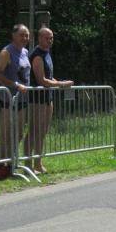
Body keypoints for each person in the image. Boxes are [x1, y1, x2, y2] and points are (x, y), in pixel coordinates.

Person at [26, 27, 74, 174]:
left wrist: (60, 82)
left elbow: (49, 77)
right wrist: (61, 84)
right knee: (34, 131)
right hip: (37, 99)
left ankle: (38, 163)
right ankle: (28, 164)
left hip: (48, 98)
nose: (49, 40)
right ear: (39, 38)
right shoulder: (37, 55)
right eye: (47, 38)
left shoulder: (47, 53)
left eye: (51, 38)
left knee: (43, 131)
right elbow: (42, 80)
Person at [0, 24, 31, 180]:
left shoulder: (25, 52)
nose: (25, 38)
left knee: (18, 133)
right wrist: (14, 85)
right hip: (8, 100)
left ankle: (12, 163)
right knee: (6, 133)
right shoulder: (6, 52)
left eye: (27, 35)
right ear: (13, 36)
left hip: (22, 100)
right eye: (22, 35)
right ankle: (0, 165)